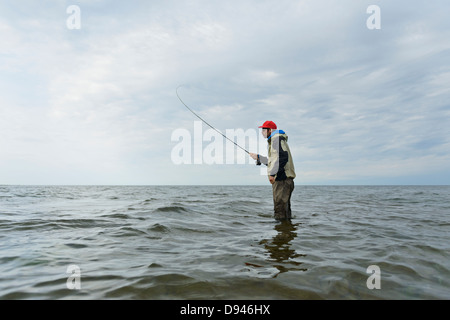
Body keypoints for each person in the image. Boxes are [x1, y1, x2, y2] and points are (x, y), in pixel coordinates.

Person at [250, 121, 296, 221]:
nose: (262, 132)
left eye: (264, 130)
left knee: (280, 210)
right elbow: (274, 161)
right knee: (284, 211)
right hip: (283, 180)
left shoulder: (276, 139)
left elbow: (283, 157)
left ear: (270, 130)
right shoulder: (275, 140)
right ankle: (286, 232)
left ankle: (281, 234)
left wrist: (272, 174)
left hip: (282, 180)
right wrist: (259, 158)